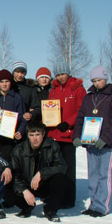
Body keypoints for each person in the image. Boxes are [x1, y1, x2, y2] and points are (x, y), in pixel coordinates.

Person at [73, 66, 112, 217]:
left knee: (104, 175)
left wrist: (105, 139)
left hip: (106, 144)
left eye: (100, 80)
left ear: (106, 79)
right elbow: (80, 118)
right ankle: (93, 203)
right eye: (94, 81)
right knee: (93, 174)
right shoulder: (88, 97)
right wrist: (77, 136)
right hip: (90, 142)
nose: (97, 83)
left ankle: (102, 206)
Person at [48, 62, 86, 208]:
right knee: (55, 168)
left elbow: (81, 110)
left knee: (68, 168)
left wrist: (68, 123)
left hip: (68, 135)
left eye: (63, 74)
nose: (60, 77)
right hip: (54, 134)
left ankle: (69, 199)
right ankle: (55, 196)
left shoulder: (77, 89)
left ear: (68, 73)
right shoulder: (54, 89)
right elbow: (49, 109)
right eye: (58, 75)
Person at [11, 122, 67, 222]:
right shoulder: (18, 150)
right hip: (26, 185)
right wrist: (24, 190)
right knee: (6, 182)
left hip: (44, 184)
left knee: (60, 178)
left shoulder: (52, 146)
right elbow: (15, 175)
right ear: (27, 135)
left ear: (43, 134)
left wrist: (42, 173)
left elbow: (62, 166)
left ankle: (50, 210)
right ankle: (26, 207)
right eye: (31, 135)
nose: (35, 138)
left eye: (37, 134)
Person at [0, 69, 26, 161]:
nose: (4, 84)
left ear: (10, 82)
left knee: (9, 163)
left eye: (7, 81)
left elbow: (22, 119)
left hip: (11, 138)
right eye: (1, 82)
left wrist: (20, 131)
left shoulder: (17, 98)